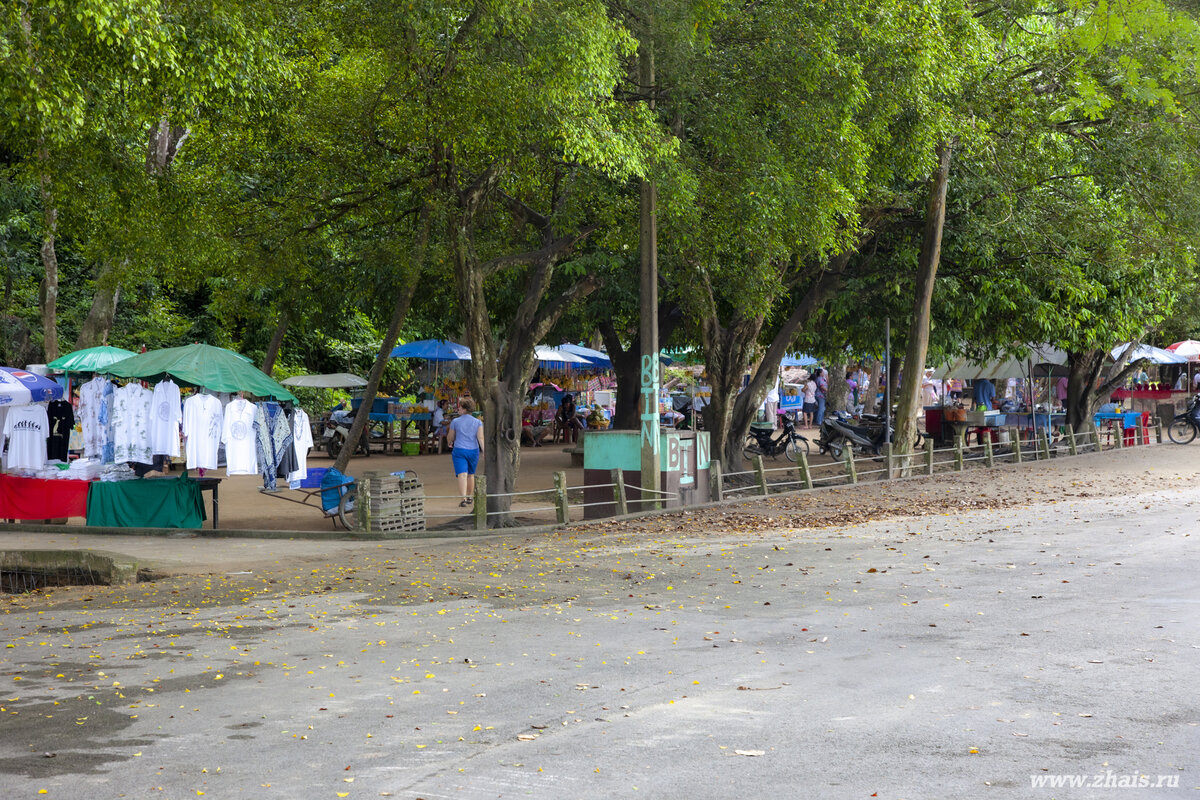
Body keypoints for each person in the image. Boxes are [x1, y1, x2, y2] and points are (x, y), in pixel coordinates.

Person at [446, 398, 484, 508]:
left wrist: (449, 441)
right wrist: (484, 451)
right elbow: (480, 438)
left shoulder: (455, 421)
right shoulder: (478, 422)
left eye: (460, 407)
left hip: (459, 450)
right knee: (471, 475)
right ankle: (470, 496)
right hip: (473, 451)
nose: (458, 409)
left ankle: (463, 498)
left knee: (462, 475)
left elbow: (451, 436)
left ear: (464, 409)